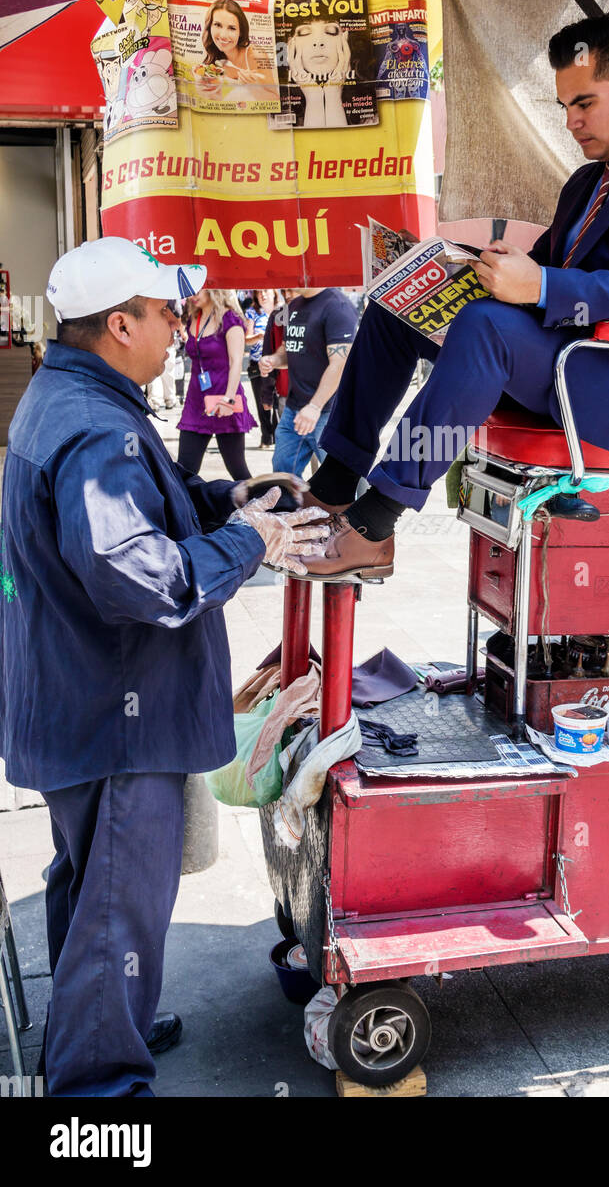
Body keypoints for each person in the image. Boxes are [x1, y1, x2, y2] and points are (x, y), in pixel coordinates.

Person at [0, 237, 329, 1096]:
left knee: (91, 888)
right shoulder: (93, 426)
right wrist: (248, 541)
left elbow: (142, 515)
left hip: (78, 699)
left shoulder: (74, 397)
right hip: (114, 709)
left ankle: (106, 1025)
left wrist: (230, 499)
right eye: (166, 313)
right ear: (119, 324)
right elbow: (134, 574)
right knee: (117, 904)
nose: (181, 328)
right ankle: (98, 1092)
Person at [296, 13, 609, 579]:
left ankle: (376, 522)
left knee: (486, 329)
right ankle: (335, 481)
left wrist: (542, 285)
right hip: (564, 357)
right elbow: (546, 276)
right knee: (395, 305)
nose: (571, 122)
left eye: (584, 103)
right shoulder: (585, 182)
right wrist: (471, 272)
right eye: (563, 108)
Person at [261, 287, 357, 478]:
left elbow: (340, 363)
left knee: (340, 482)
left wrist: (315, 406)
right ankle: (288, 508)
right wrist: (274, 360)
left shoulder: (337, 306)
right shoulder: (293, 306)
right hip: (293, 411)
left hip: (329, 413)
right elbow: (287, 349)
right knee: (282, 478)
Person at [177, 287, 256, 481]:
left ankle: (259, 507)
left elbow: (236, 361)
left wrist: (228, 399)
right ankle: (182, 511)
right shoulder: (193, 318)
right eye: (189, 291)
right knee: (184, 470)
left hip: (225, 399)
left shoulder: (230, 318)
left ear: (213, 290)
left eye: (197, 291)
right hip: (196, 401)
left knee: (238, 470)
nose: (192, 296)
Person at [285, 18, 377, 128]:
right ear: (290, 43)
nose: (318, 42)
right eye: (304, 33)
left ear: (345, 39)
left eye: (331, 31)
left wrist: (333, 94)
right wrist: (313, 97)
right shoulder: (279, 113)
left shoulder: (371, 112)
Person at [197, 0, 277, 105]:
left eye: (232, 28)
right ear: (209, 26)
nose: (223, 35)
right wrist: (207, 94)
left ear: (240, 32)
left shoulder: (256, 54)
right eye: (217, 25)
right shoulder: (213, 65)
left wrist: (252, 86)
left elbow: (275, 100)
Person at [245, 288, 279, 448]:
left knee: (278, 401)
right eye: (259, 293)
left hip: (278, 363)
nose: (263, 295)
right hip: (257, 364)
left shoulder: (282, 310)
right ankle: (266, 437)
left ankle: (278, 435)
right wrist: (259, 337)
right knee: (262, 402)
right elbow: (247, 339)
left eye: (266, 291)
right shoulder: (252, 312)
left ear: (274, 293)